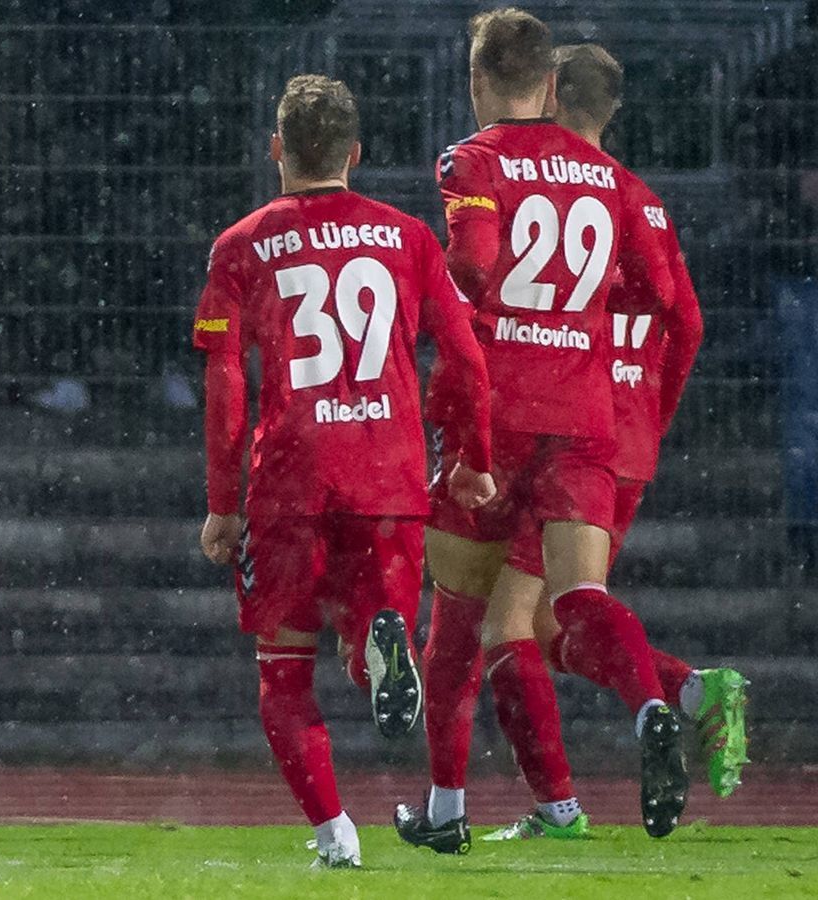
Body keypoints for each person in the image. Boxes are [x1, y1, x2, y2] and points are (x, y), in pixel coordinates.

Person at [395, 8, 685, 854]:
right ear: (552, 85)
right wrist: (581, 315)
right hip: (585, 417)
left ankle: (448, 810)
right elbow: (660, 295)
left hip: (502, 409)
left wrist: (450, 313)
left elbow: (476, 263)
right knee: (580, 601)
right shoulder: (605, 173)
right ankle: (652, 707)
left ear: (476, 79)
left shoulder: (471, 159)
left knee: (455, 620)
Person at [194, 74, 495, 869]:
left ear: (276, 151)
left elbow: (226, 388)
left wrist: (223, 505)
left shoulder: (240, 246)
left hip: (291, 478)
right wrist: (473, 459)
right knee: (370, 639)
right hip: (387, 477)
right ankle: (375, 648)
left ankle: (336, 832)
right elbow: (466, 360)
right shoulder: (408, 237)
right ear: (356, 154)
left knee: (284, 674)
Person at [518, 42, 747, 813]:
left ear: (549, 95)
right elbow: (687, 323)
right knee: (556, 626)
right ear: (612, 110)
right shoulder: (640, 198)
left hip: (561, 429)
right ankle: (683, 693)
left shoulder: (546, 193)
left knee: (515, 627)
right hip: (625, 437)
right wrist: (653, 409)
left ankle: (564, 798)